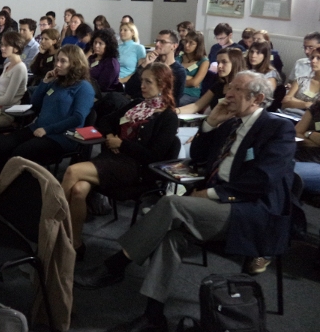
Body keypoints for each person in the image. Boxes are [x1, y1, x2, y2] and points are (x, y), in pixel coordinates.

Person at [75, 71, 296, 332]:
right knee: (171, 238)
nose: (227, 95)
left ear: (257, 98)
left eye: (236, 90)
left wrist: (210, 195)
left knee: (172, 204)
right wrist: (211, 123)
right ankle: (154, 316)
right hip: (215, 206)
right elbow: (199, 157)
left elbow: (263, 180)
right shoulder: (231, 123)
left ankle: (116, 265)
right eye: (230, 89)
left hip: (249, 211)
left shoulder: (278, 128)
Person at [62, 62, 178, 259]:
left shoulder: (168, 117)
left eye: (148, 82)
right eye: (142, 81)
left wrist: (122, 144)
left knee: (72, 171)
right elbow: (105, 120)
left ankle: (50, 226)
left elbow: (154, 156)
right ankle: (75, 244)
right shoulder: (137, 105)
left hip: (137, 169)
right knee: (78, 189)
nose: (142, 86)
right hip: (112, 159)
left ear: (162, 85)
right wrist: (109, 137)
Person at [0, 45, 95, 185]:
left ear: (75, 64)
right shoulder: (57, 82)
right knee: (1, 145)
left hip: (62, 137)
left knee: (21, 153)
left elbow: (77, 119)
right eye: (57, 60)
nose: (57, 64)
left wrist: (47, 130)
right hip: (39, 128)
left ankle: (13, 194)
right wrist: (45, 82)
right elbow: (35, 103)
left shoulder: (84, 87)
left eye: (63, 61)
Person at [178, 47, 246, 114]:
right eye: (218, 62)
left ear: (235, 63)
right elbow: (196, 106)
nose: (219, 66)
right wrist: (174, 111)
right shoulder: (218, 85)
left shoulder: (243, 87)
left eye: (224, 62)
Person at [125, 30, 186, 103]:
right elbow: (129, 89)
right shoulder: (150, 65)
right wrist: (144, 65)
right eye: (156, 41)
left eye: (162, 42)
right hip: (137, 103)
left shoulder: (178, 71)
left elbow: (174, 99)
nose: (157, 44)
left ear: (174, 46)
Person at [293, 98, 320, 206]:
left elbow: (302, 133)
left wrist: (308, 133)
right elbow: (296, 133)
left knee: (284, 170)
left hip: (317, 163)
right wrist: (313, 137)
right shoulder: (316, 107)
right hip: (299, 153)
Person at [282, 45, 320, 112]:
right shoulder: (301, 80)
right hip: (290, 115)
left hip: (313, 121)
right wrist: (306, 104)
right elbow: (285, 102)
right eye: (312, 57)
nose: (313, 61)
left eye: (318, 58)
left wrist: (294, 101)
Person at [176, 31, 210, 106]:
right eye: (186, 41)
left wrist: (177, 80)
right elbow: (168, 75)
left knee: (174, 102)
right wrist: (188, 78)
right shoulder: (179, 57)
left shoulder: (204, 61)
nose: (186, 45)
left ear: (198, 45)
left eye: (191, 43)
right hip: (174, 91)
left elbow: (194, 82)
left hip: (190, 94)